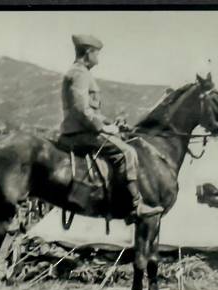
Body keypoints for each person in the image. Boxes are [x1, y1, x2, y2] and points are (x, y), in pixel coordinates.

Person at [57, 34, 162, 220]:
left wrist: (110, 124)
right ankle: (135, 205)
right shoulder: (80, 74)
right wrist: (102, 129)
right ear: (88, 52)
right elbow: (81, 110)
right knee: (128, 152)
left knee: (123, 142)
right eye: (97, 53)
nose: (98, 58)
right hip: (80, 132)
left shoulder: (81, 73)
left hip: (84, 129)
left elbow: (91, 111)